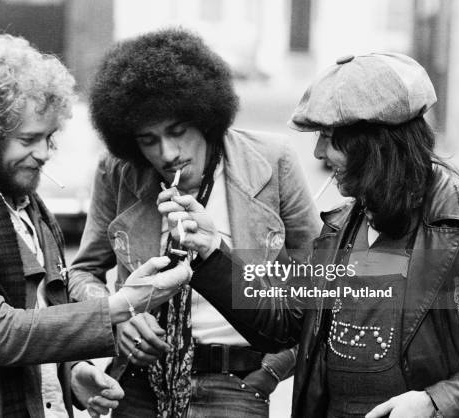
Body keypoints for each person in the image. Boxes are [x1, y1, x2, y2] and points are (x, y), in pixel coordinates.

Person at [161, 52, 459, 417]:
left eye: (329, 138)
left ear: (376, 145)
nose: (318, 152)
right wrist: (211, 251)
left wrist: (437, 402)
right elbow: (283, 326)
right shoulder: (339, 230)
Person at [0, 34, 190, 418]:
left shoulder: (32, 209)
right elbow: (0, 334)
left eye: (49, 137)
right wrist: (122, 304)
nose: (43, 154)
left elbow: (44, 313)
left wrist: (73, 375)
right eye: (28, 139)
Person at [69, 28, 320, 418]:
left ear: (203, 116)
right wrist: (115, 317)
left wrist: (271, 370)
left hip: (236, 380)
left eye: (176, 132)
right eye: (149, 140)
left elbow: (320, 280)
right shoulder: (117, 172)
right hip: (138, 382)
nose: (167, 153)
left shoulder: (272, 161)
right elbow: (83, 272)